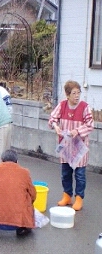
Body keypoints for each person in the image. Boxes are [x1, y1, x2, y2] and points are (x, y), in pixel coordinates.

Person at [48, 80, 94, 211]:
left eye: (78, 93)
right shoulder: (62, 105)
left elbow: (90, 125)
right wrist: (56, 126)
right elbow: (52, 118)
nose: (77, 96)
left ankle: (79, 198)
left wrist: (77, 131)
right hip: (65, 145)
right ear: (67, 95)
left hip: (80, 146)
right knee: (65, 173)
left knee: (80, 174)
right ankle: (67, 195)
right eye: (74, 93)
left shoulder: (85, 107)